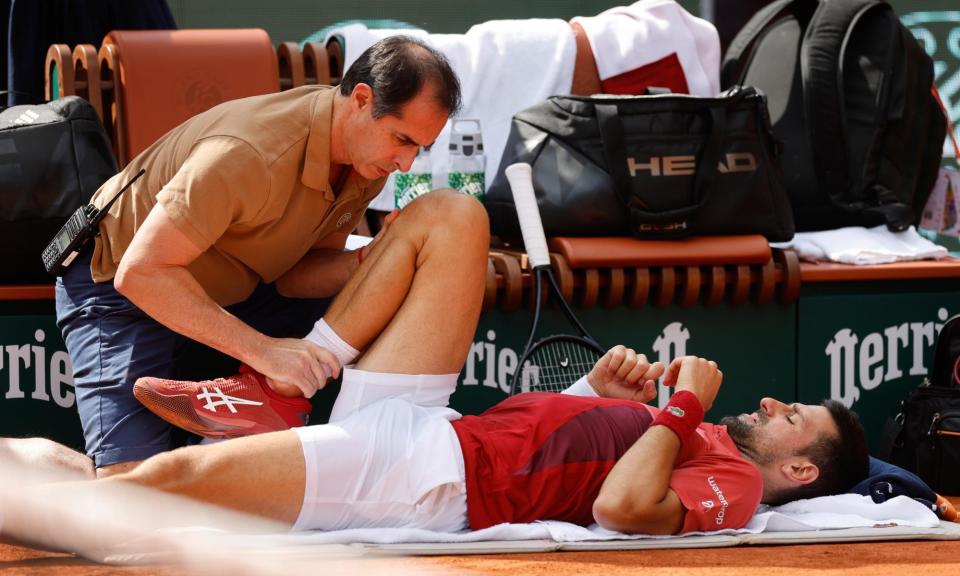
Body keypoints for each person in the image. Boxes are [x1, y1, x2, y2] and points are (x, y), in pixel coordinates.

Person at [14, 192, 869, 541]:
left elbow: (619, 506)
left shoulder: (742, 487)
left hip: (422, 476)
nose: (770, 402)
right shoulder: (693, 441)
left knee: (152, 484)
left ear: (798, 467)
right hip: (436, 423)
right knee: (451, 216)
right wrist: (593, 395)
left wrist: (679, 410)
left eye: (794, 416)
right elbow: (561, 446)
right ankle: (280, 389)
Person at [54, 35, 461, 476]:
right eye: (402, 139)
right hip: (122, 290)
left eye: (419, 147)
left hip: (234, 292)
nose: (406, 163)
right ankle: (20, 474)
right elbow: (141, 273)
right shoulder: (249, 151)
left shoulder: (365, 162)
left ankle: (264, 413)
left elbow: (297, 278)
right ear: (362, 99)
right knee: (132, 492)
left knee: (380, 292)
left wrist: (377, 259)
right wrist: (265, 353)